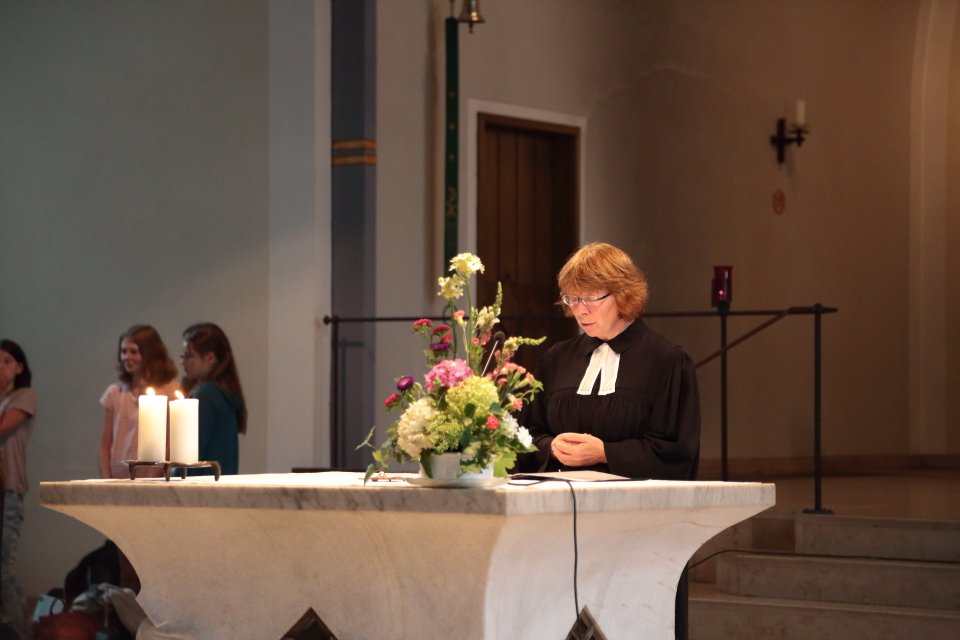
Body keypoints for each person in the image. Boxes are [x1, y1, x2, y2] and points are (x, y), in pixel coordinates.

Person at [520, 242, 701, 640]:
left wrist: (605, 452)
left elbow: (677, 452)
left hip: (634, 530)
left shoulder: (666, 361)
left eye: (590, 299)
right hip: (559, 524)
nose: (579, 310)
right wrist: (550, 447)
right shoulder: (556, 359)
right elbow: (526, 434)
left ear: (623, 294)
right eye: (572, 299)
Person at [99, 325, 180, 479]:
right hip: (119, 479)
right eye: (123, 351)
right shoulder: (115, 392)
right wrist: (106, 480)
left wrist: (157, 474)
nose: (126, 357)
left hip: (154, 479)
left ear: (149, 353)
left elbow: (172, 443)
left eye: (133, 352)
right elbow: (105, 446)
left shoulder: (169, 391)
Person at [0, 339, 36, 640]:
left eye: (6, 361)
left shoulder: (24, 396)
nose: (0, 367)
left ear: (19, 367)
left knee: (3, 570)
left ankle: (24, 634)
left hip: (8, 489)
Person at [180, 323, 246, 475]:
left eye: (189, 356)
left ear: (210, 359)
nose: (182, 362)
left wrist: (174, 475)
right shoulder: (224, 393)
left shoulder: (205, 395)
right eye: (182, 356)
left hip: (198, 484)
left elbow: (190, 455)